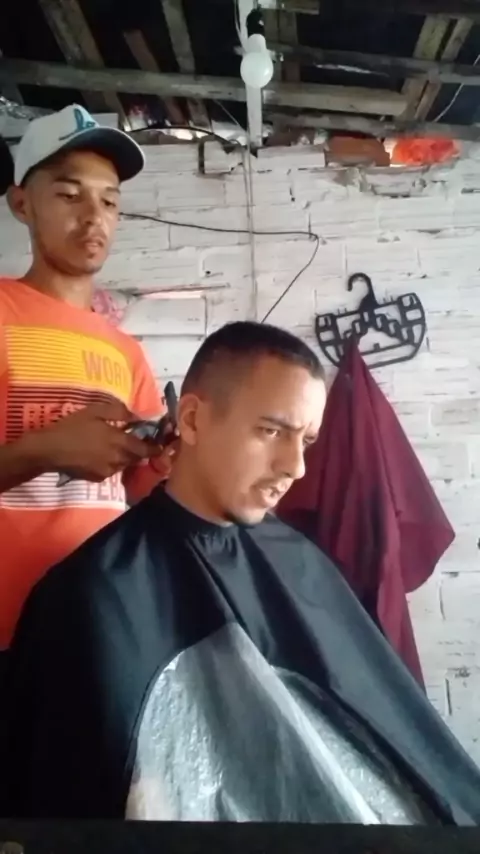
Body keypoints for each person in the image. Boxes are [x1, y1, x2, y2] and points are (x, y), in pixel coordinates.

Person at [2, 322, 480, 824]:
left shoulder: (301, 563)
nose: (296, 466)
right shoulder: (93, 593)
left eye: (306, 440)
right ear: (190, 420)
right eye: (271, 431)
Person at [0, 104, 174, 654]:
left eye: (109, 201)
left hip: (95, 627)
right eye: (70, 195)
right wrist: (44, 450)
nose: (94, 216)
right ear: (22, 204)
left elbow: (133, 491)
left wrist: (164, 464)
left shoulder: (126, 352)